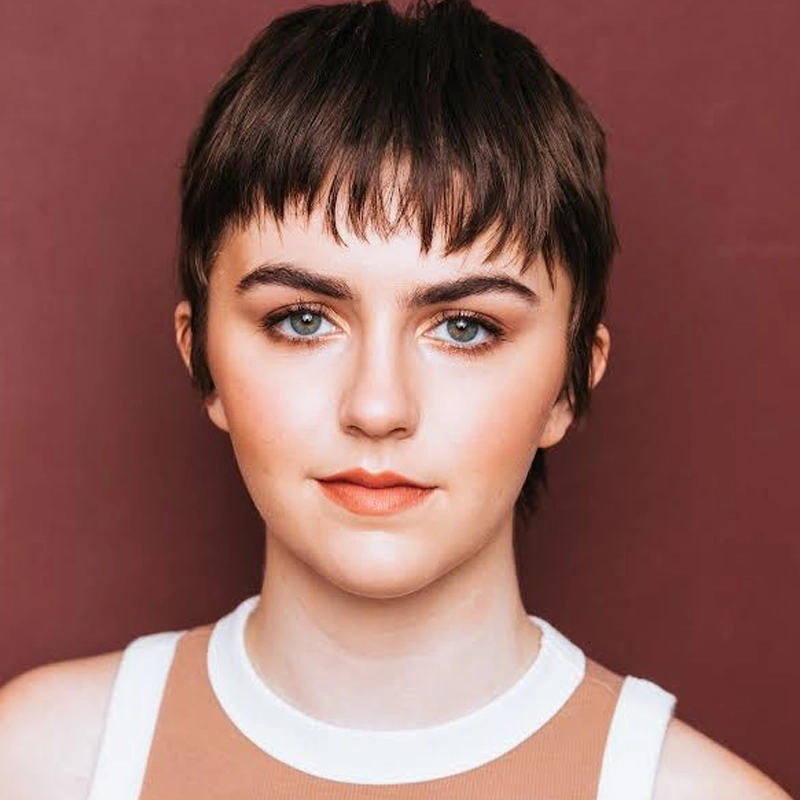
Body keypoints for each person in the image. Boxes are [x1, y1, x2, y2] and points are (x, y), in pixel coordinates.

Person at [0, 1, 793, 798]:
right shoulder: (37, 763)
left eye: (465, 327)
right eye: (303, 320)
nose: (378, 408)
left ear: (571, 381)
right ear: (201, 356)